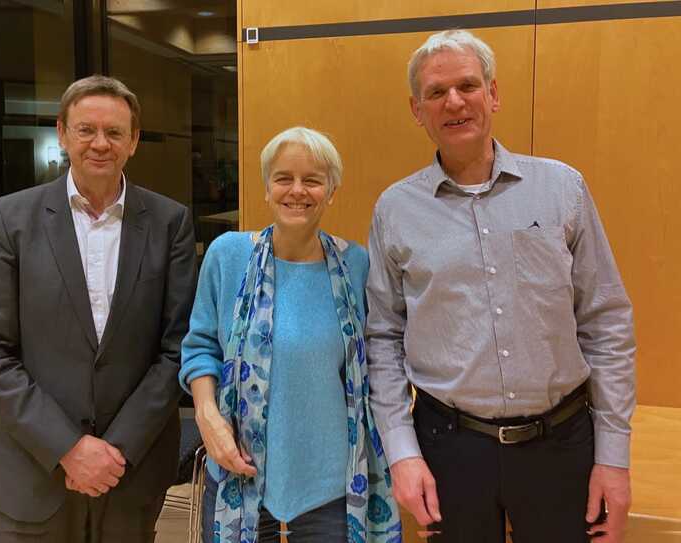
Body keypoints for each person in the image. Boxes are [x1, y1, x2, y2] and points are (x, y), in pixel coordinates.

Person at [365, 29, 635, 543]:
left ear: (493, 93)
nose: (455, 102)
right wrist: (402, 452)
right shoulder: (394, 211)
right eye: (436, 92)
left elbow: (607, 323)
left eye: (468, 85)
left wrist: (614, 458)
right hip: (449, 449)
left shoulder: (562, 189)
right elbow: (383, 338)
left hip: (562, 445)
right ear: (416, 110)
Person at [0, 75, 197, 542]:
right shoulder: (9, 220)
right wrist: (68, 447)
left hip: (129, 474)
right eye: (86, 129)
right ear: (62, 133)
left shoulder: (170, 223)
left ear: (133, 141)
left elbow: (178, 348)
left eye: (114, 132)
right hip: (33, 473)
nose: (100, 143)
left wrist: (114, 451)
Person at [179, 127, 401, 543]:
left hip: (332, 487)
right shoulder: (228, 256)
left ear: (331, 191)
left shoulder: (355, 265)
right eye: (284, 178)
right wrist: (207, 417)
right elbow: (200, 347)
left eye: (313, 180)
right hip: (238, 473)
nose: (297, 190)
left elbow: (378, 360)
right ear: (267, 187)